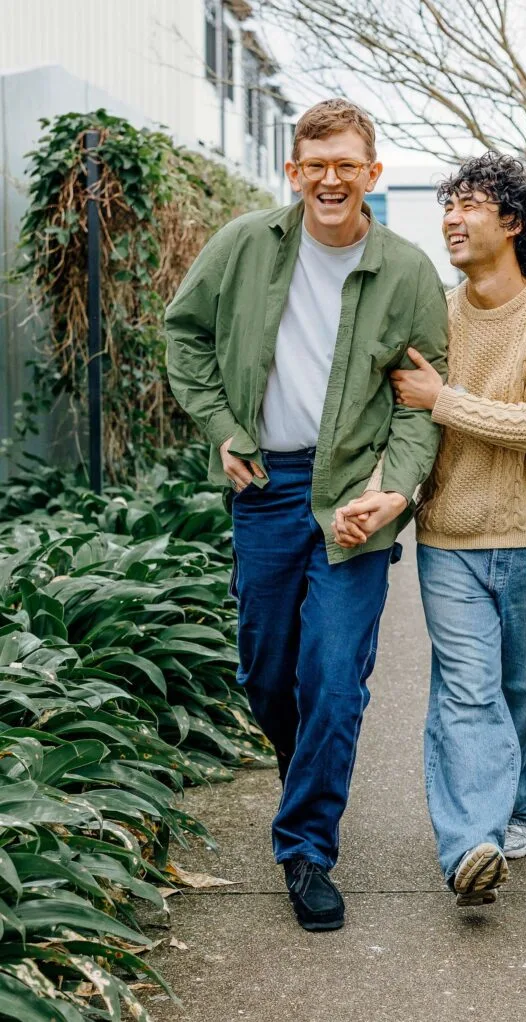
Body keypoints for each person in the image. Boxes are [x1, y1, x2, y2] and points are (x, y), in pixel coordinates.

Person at [165, 99, 448, 932]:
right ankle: (309, 774)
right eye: (314, 164)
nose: (330, 179)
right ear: (293, 171)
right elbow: (183, 334)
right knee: (265, 672)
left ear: (372, 173)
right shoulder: (245, 245)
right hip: (264, 488)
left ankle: (306, 850)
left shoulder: (406, 272)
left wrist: (392, 491)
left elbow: (417, 404)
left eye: (346, 165)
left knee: (333, 678)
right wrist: (221, 426)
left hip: (352, 500)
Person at [339, 151, 526, 907]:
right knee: (465, 693)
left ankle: (513, 809)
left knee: (524, 693)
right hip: (450, 539)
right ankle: (470, 846)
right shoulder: (437, 316)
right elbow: (404, 423)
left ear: (512, 223)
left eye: (469, 205)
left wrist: (441, 397)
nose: (450, 218)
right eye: (447, 206)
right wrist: (386, 493)